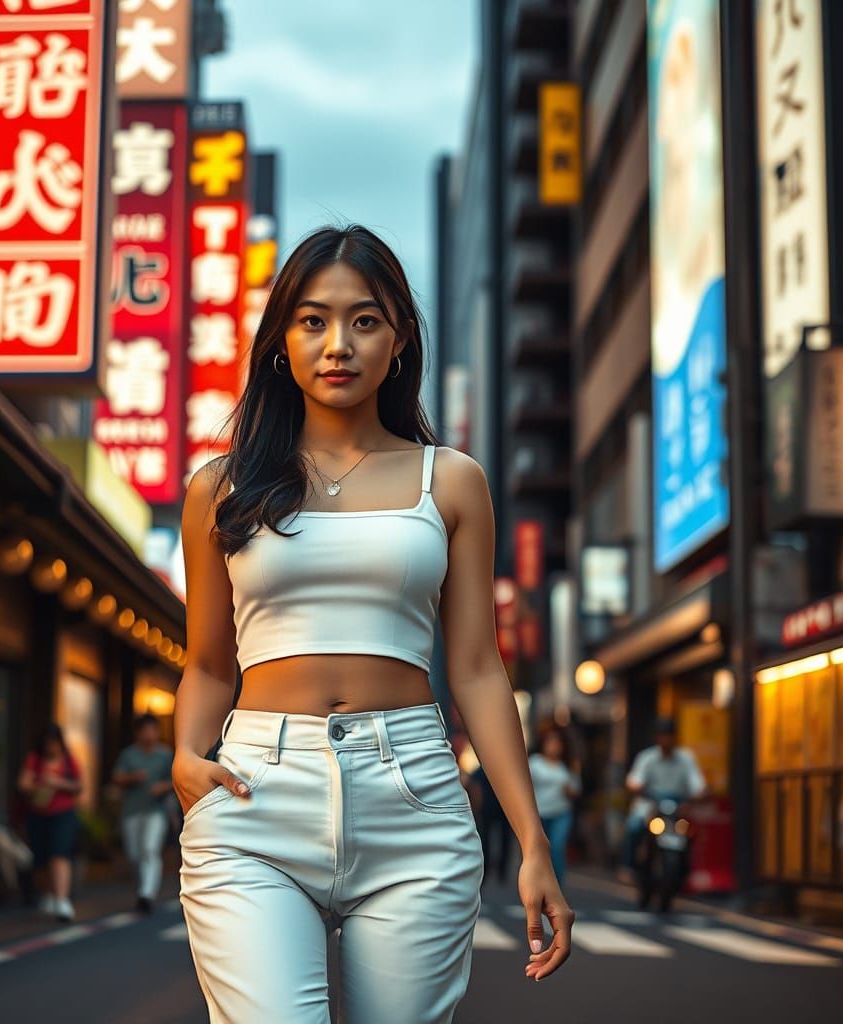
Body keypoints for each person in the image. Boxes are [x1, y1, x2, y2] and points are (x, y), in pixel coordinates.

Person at [175, 224, 575, 1023]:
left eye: (365, 320)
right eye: (313, 320)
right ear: (280, 341)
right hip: (255, 793)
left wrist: (533, 842)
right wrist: (185, 757)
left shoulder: (452, 481)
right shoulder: (219, 487)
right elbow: (211, 664)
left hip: (414, 798)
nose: (338, 344)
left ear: (398, 342)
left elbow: (476, 669)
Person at [620, 716, 706, 876]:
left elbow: (697, 784)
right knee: (634, 827)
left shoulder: (686, 759)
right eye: (663, 735)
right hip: (651, 805)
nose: (666, 740)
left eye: (669, 735)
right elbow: (634, 780)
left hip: (677, 808)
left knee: (691, 832)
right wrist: (636, 787)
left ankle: (687, 869)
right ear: (657, 737)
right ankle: (629, 866)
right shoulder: (647, 758)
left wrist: (698, 793)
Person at [18, 723, 82, 922]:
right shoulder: (35, 760)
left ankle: (62, 900)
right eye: (48, 743)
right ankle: (49, 893)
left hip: (63, 813)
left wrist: (58, 783)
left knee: (59, 853)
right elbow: (23, 784)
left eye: (54, 743)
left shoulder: (69, 761)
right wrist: (39, 785)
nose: (51, 747)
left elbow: (79, 786)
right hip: (38, 814)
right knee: (41, 859)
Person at [113, 712, 176, 913]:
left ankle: (147, 894)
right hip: (132, 810)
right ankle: (142, 888)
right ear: (138, 733)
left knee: (150, 849)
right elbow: (117, 777)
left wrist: (162, 787)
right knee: (135, 854)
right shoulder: (129, 755)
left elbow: (176, 779)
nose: (149, 734)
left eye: (153, 730)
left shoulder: (166, 755)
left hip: (156, 810)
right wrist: (132, 778)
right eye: (145, 730)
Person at [528, 725, 581, 887]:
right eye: (550, 741)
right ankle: (538, 884)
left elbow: (577, 790)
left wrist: (569, 791)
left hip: (561, 812)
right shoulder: (535, 762)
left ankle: (556, 885)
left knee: (557, 847)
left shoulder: (568, 766)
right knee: (538, 850)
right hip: (539, 813)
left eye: (557, 742)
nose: (554, 745)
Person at [469, 761, 513, 886]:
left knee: (501, 839)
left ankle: (499, 868)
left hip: (502, 809)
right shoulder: (484, 769)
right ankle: (492, 867)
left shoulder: (499, 769)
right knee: (488, 839)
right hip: (491, 808)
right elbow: (475, 787)